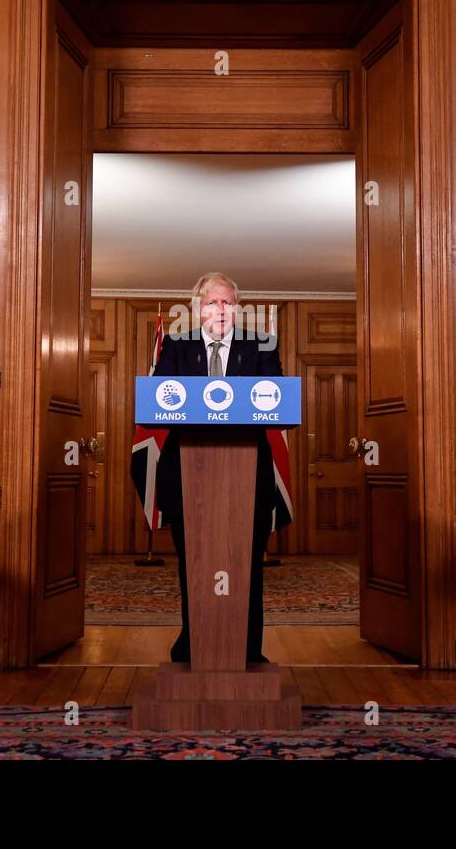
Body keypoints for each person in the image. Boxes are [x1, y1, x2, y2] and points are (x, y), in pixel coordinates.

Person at [152, 272, 282, 665]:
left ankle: (248, 650)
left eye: (227, 302)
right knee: (195, 567)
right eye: (212, 302)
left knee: (247, 568)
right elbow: (160, 394)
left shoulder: (262, 345)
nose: (220, 309)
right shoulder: (176, 346)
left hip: (248, 477)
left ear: (238, 309)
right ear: (198, 309)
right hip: (187, 476)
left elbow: (274, 397)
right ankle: (193, 644)